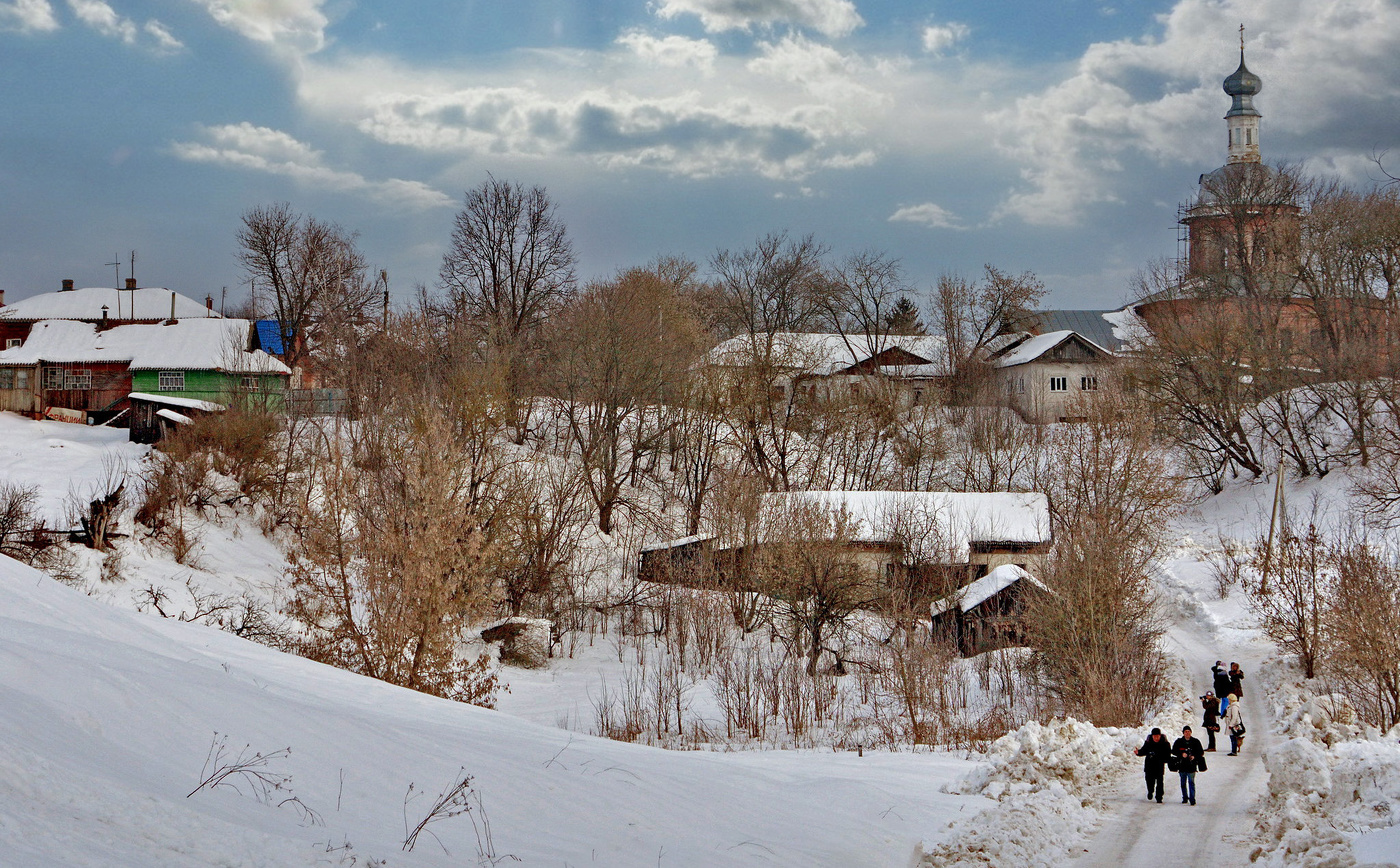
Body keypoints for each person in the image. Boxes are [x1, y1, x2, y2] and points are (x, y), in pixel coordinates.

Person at [1135, 727, 1172, 803]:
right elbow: (1143, 751)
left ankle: (1159, 797)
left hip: (1159, 766)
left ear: (1160, 735)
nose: (1156, 738)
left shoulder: (1165, 744)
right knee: (1149, 781)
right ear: (1152, 736)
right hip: (1149, 766)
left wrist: (1164, 759)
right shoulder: (1148, 743)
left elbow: (1168, 755)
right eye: (1154, 736)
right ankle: (1150, 791)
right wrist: (1138, 752)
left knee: (1160, 782)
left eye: (1157, 736)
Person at [1172, 725, 1206, 805]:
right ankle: (1184, 797)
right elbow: (1173, 751)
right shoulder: (1179, 741)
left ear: (1191, 732)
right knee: (1183, 783)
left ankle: (1192, 798)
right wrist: (1181, 754)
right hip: (1182, 765)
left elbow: (1201, 752)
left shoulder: (1195, 741)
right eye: (1185, 732)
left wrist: (1194, 756)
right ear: (1183, 733)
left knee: (1191, 782)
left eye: (1188, 731)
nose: (1187, 733)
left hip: (1192, 766)